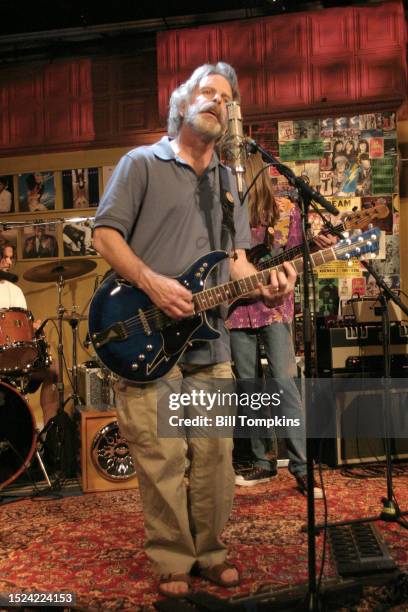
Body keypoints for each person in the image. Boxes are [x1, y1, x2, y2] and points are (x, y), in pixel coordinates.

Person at [92, 62, 296, 598]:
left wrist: (265, 286)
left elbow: (233, 262)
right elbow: (105, 237)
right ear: (181, 104)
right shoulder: (141, 162)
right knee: (162, 455)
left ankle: (211, 551)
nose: (217, 102)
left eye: (225, 98)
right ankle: (173, 559)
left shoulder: (228, 180)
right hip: (145, 329)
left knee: (214, 455)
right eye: (207, 93)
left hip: (211, 338)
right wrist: (153, 283)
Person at [226, 152, 326, 497]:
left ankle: (301, 467)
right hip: (236, 312)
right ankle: (262, 462)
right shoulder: (228, 216)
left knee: (285, 384)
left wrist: (316, 249)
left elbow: (297, 262)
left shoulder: (286, 212)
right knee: (249, 389)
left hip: (275, 309)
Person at [0, 243, 58, 425]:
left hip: (15, 357)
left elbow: (19, 329)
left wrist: (32, 328)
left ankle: (50, 434)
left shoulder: (13, 290)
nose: (9, 263)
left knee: (54, 370)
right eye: (4, 257)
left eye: (11, 258)